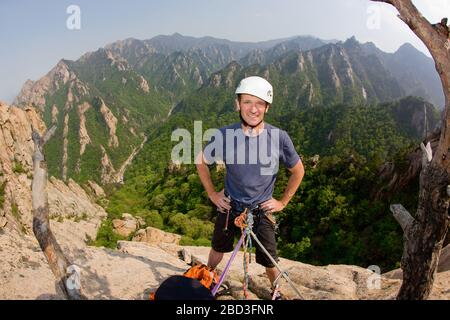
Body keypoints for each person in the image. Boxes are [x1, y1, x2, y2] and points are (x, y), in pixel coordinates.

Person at [196, 76, 305, 299]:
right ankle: (208, 276)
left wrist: (282, 202)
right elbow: (201, 161)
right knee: (218, 247)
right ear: (238, 104)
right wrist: (212, 194)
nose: (253, 109)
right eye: (247, 102)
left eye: (259, 103)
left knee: (269, 257)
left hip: (261, 209)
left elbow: (298, 171)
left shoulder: (279, 138)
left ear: (267, 107)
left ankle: (277, 291)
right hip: (229, 205)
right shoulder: (224, 135)